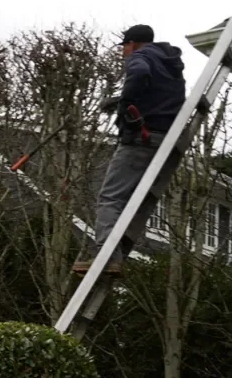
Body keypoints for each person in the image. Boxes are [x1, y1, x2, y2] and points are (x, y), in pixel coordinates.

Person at [75, 24, 191, 276]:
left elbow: (138, 74)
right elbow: (159, 97)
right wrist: (119, 101)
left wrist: (126, 104)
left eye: (124, 48)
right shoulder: (171, 64)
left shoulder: (140, 57)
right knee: (134, 198)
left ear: (132, 44)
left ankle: (106, 257)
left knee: (110, 197)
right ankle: (116, 251)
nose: (123, 54)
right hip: (169, 138)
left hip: (142, 138)